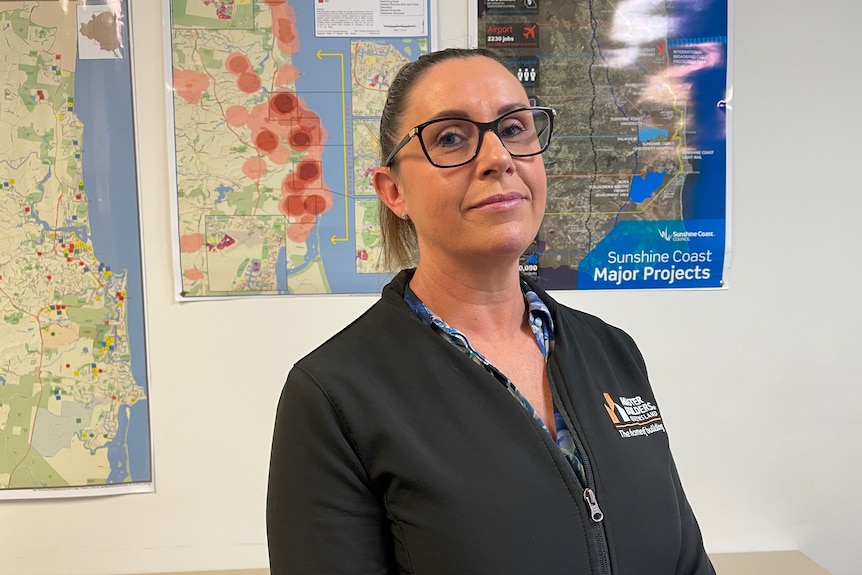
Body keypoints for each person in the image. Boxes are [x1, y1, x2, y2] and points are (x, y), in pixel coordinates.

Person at [267, 47, 715, 574]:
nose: (499, 157)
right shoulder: (334, 397)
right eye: (451, 138)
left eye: (516, 127)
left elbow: (687, 561)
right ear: (394, 191)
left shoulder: (612, 351)